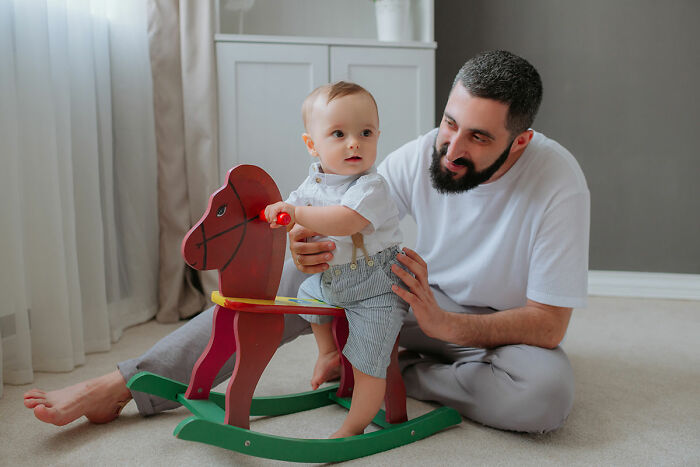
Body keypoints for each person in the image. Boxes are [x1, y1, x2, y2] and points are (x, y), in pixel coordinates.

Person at [23, 50, 589, 434]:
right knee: (291, 279)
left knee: (545, 396)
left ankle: (403, 370)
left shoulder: (557, 182)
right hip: (408, 296)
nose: (451, 146)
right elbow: (340, 214)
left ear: (519, 143)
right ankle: (126, 383)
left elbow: (548, 324)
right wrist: (303, 241)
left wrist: (450, 326)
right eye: (449, 122)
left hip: (483, 330)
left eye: (479, 136)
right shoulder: (422, 153)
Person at [262, 81, 407, 438]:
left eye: (366, 132)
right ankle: (328, 352)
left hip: (379, 288)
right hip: (335, 281)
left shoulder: (371, 187)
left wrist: (296, 213)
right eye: (339, 133)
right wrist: (275, 215)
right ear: (312, 145)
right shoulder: (312, 185)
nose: (354, 142)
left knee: (368, 361)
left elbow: (345, 219)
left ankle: (355, 425)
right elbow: (291, 219)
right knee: (307, 293)